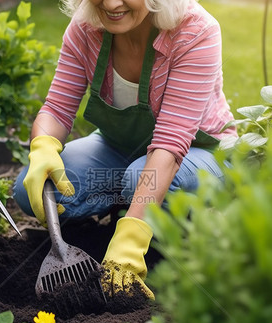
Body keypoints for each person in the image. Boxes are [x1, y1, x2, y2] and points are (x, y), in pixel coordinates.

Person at [13, 0, 238, 299]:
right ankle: (125, 214)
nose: (110, 4)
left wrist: (130, 241)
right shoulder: (86, 26)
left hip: (199, 152)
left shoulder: (195, 30)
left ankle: (176, 236)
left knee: (139, 180)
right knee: (33, 188)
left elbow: (170, 144)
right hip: (120, 145)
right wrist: (42, 146)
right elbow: (56, 108)